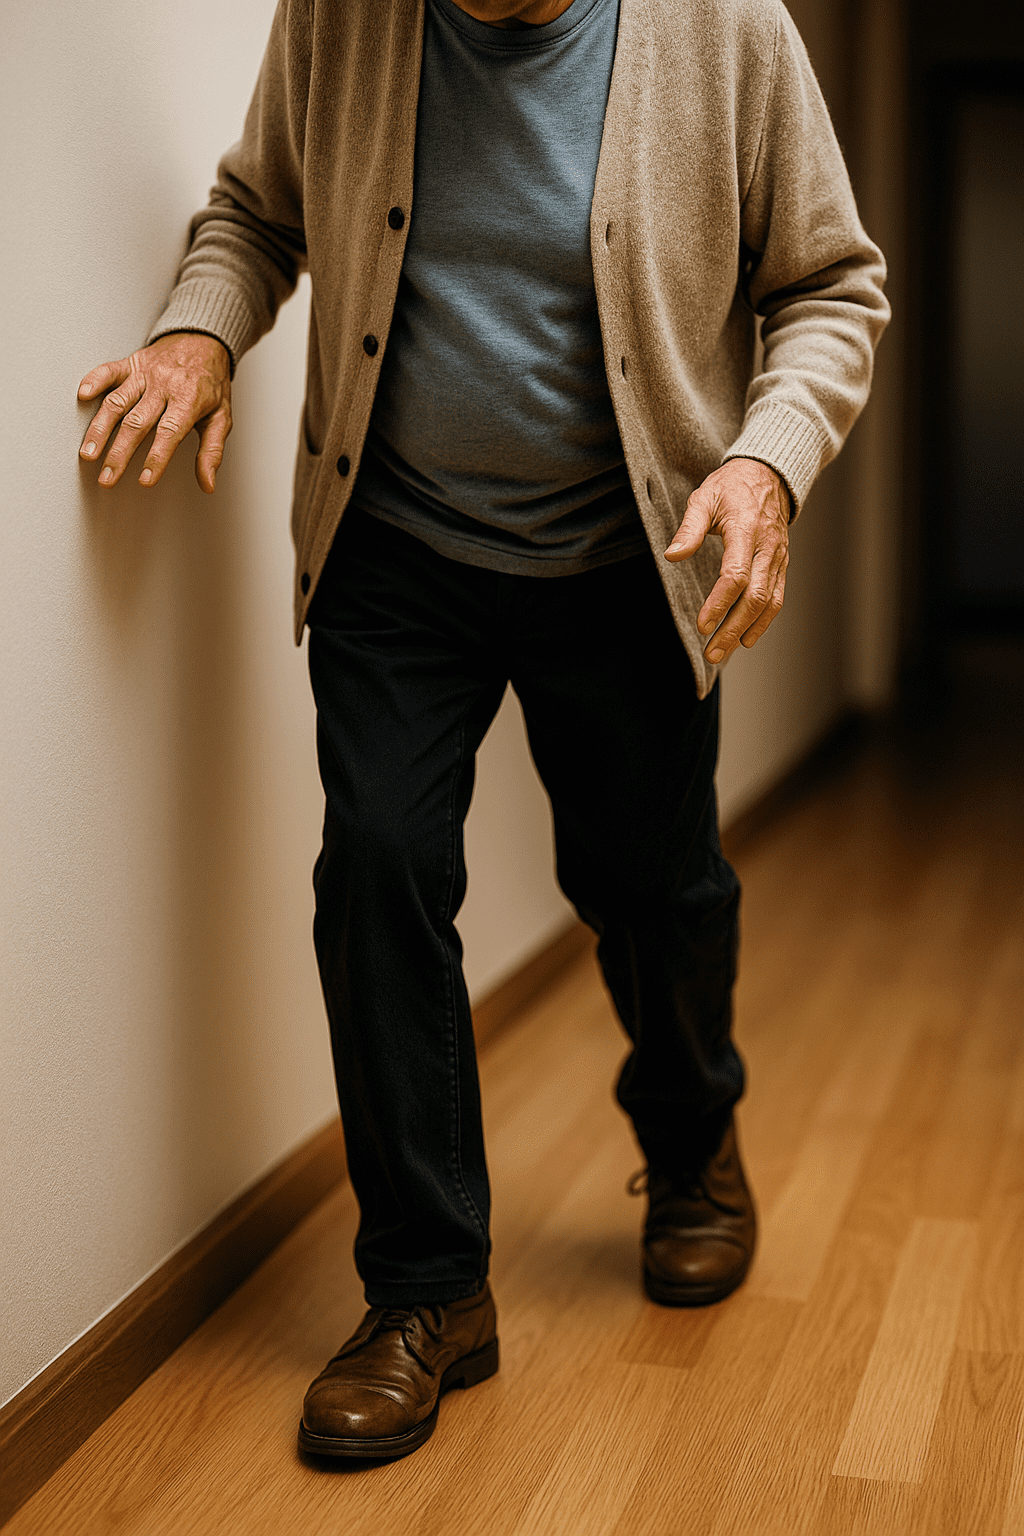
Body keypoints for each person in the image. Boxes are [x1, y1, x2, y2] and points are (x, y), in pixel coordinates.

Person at [77, 0, 888, 1464]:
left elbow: (832, 285)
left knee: (652, 886)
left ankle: (692, 1138)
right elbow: (257, 213)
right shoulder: (343, 15)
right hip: (397, 547)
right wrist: (199, 331)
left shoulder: (727, 28)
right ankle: (427, 1291)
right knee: (378, 869)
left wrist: (766, 461)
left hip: (632, 550)